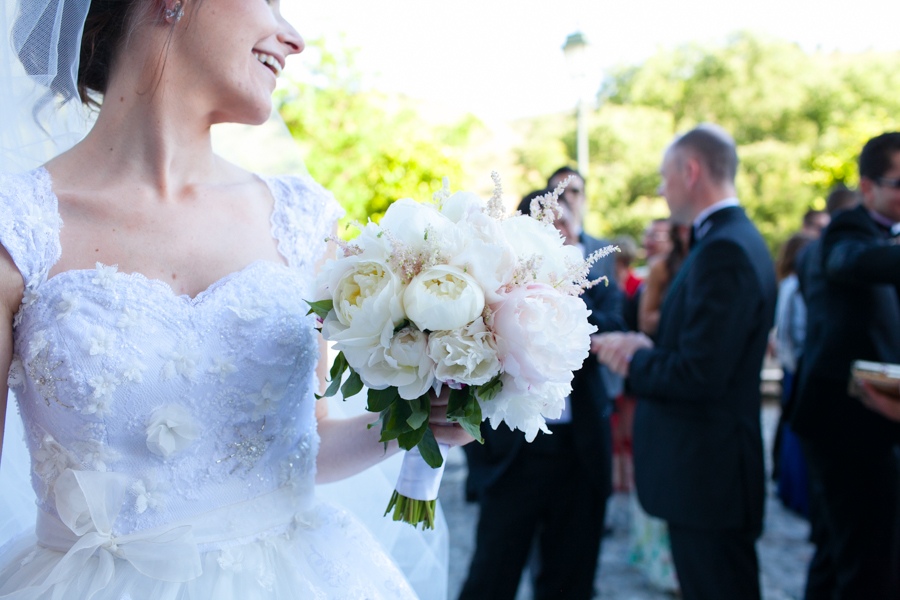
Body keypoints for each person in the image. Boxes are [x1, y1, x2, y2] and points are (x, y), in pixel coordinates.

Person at [0, 0, 473, 598]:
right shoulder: (18, 230)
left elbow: (303, 446)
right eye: (269, 2)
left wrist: (412, 420)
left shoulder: (301, 220)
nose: (294, 38)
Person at [595, 124, 777, 600]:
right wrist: (645, 344)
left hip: (708, 478)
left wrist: (635, 360)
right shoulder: (725, 240)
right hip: (708, 474)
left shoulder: (725, 249)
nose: (661, 189)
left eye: (664, 176)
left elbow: (700, 374)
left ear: (691, 171)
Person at [460, 172, 625, 600]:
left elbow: (615, 325)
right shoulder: (495, 281)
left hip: (579, 448)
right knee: (492, 573)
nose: (560, 233)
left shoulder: (596, 274)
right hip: (513, 454)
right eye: (549, 225)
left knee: (571, 578)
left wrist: (563, 297)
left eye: (565, 224)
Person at [791, 132, 900, 600]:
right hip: (847, 424)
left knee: (839, 554)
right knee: (865, 559)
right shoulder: (846, 230)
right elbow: (850, 261)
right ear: (867, 186)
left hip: (868, 421)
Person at [771, 232, 814, 516]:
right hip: (796, 366)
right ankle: (793, 491)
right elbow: (787, 330)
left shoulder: (791, 284)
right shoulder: (793, 285)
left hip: (795, 363)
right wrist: (794, 363)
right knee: (794, 428)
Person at [637, 222, 689, 337]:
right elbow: (645, 322)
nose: (647, 242)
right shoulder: (660, 268)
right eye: (647, 235)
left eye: (655, 236)